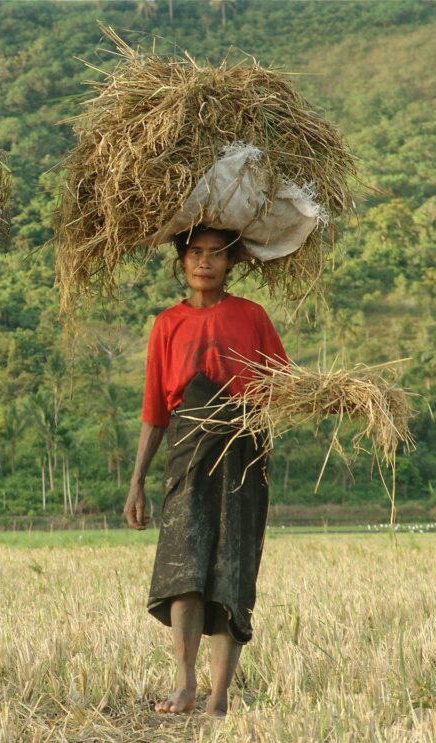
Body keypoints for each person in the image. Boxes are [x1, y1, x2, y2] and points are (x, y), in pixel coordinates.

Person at [123, 226, 288, 717]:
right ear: (182, 260)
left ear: (231, 262)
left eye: (216, 254)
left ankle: (219, 697)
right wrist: (137, 482)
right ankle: (185, 684)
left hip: (242, 448)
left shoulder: (251, 316)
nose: (205, 263)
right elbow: (155, 410)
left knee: (231, 570)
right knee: (184, 568)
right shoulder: (167, 324)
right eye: (196, 253)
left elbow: (282, 384)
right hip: (186, 447)